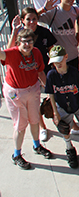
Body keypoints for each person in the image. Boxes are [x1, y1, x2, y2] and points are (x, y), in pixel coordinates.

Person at [1, 28, 52, 170]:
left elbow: (40, 71)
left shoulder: (36, 52)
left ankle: (37, 145)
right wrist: (13, 33)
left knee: (35, 119)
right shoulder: (12, 53)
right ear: (19, 42)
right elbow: (2, 54)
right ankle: (16, 155)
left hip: (33, 89)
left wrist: (49, 91)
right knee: (20, 124)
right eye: (24, 42)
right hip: (15, 92)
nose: (27, 44)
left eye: (30, 41)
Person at [44, 45, 79, 168]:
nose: (58, 64)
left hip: (77, 105)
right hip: (62, 107)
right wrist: (55, 113)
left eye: (60, 60)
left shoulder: (74, 73)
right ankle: (69, 148)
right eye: (54, 62)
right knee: (64, 129)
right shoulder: (51, 75)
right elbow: (51, 94)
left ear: (66, 57)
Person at [9, 7, 57, 142]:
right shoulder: (19, 35)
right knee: (34, 103)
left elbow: (51, 49)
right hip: (25, 72)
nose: (31, 22)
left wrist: (55, 64)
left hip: (43, 69)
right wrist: (14, 32)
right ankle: (42, 127)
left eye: (34, 19)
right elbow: (8, 51)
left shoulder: (44, 32)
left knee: (50, 97)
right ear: (23, 21)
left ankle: (56, 119)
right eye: (28, 19)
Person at [38, 0, 79, 70]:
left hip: (73, 54)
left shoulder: (76, 10)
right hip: (58, 56)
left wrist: (77, 38)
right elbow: (31, 17)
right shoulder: (53, 11)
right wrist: (44, 9)